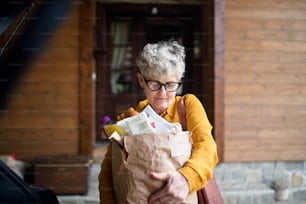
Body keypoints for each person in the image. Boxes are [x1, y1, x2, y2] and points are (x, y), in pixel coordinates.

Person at [99, 40, 219, 204]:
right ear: (141, 80)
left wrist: (186, 178)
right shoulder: (128, 118)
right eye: (154, 83)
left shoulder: (187, 105)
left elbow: (207, 147)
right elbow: (108, 171)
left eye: (170, 84)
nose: (163, 93)